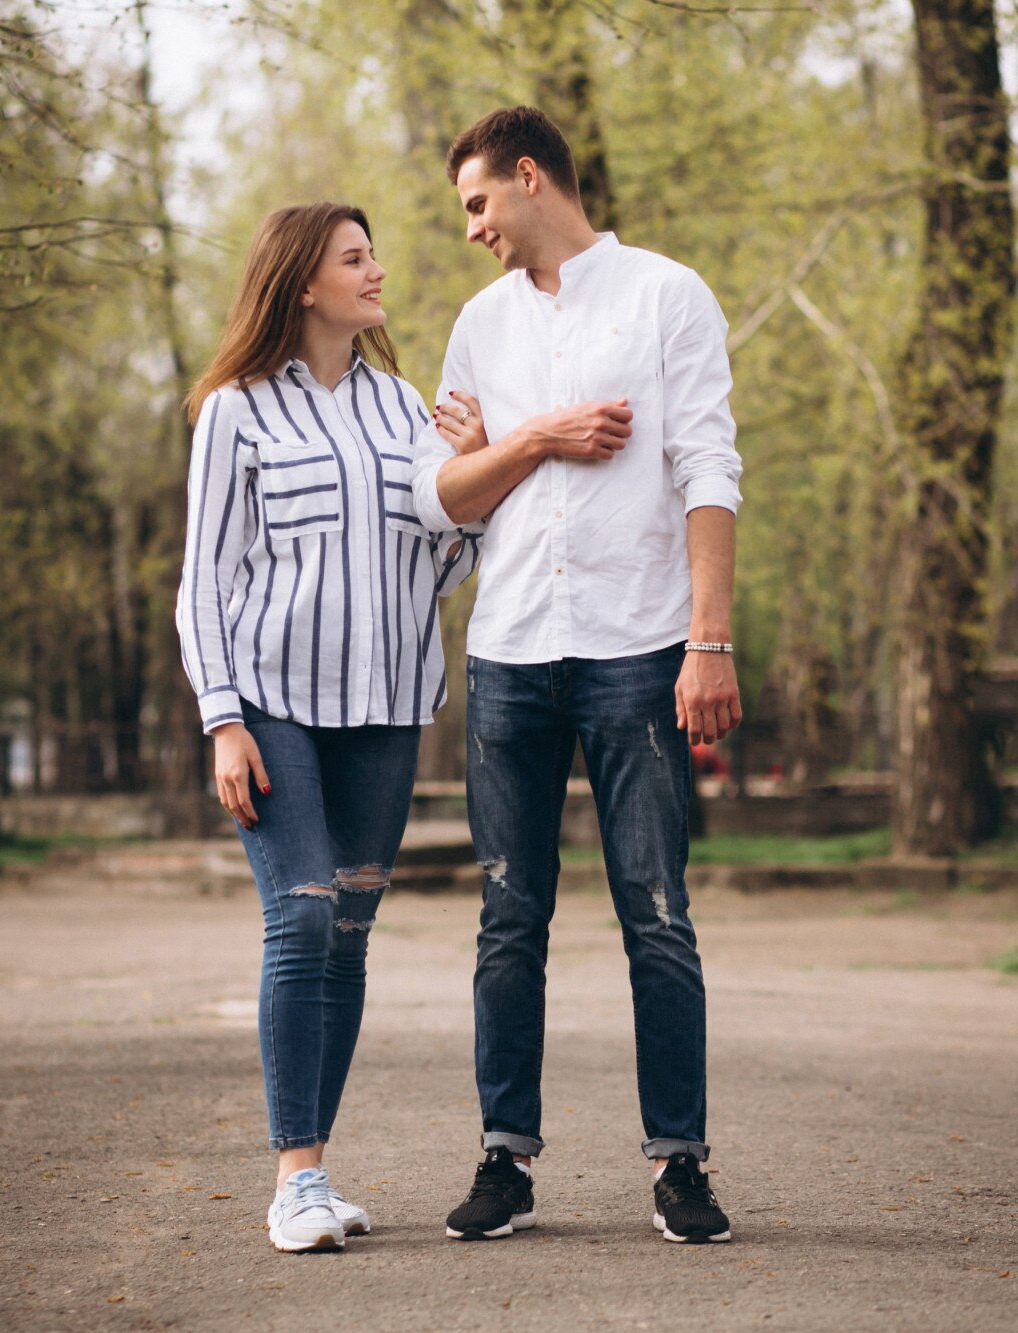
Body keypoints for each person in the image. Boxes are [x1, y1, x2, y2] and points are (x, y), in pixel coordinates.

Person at [413, 107, 744, 1244]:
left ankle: (680, 1163)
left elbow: (707, 465)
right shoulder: (477, 327)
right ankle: (504, 1159)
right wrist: (537, 436)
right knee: (509, 920)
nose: (471, 230)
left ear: (526, 177)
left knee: (655, 913)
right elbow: (447, 496)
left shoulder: (665, 297)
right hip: (506, 653)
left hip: (635, 651)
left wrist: (708, 640)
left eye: (475, 204)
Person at [176, 202, 484, 1253]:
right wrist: (223, 720)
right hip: (270, 704)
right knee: (299, 916)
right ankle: (292, 1180)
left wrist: (469, 489)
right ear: (302, 283)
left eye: (372, 254)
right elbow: (201, 581)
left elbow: (438, 565)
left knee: (347, 934)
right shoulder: (234, 410)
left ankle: (316, 1171)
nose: (376, 270)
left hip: (387, 708)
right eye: (354, 258)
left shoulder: (402, 408)